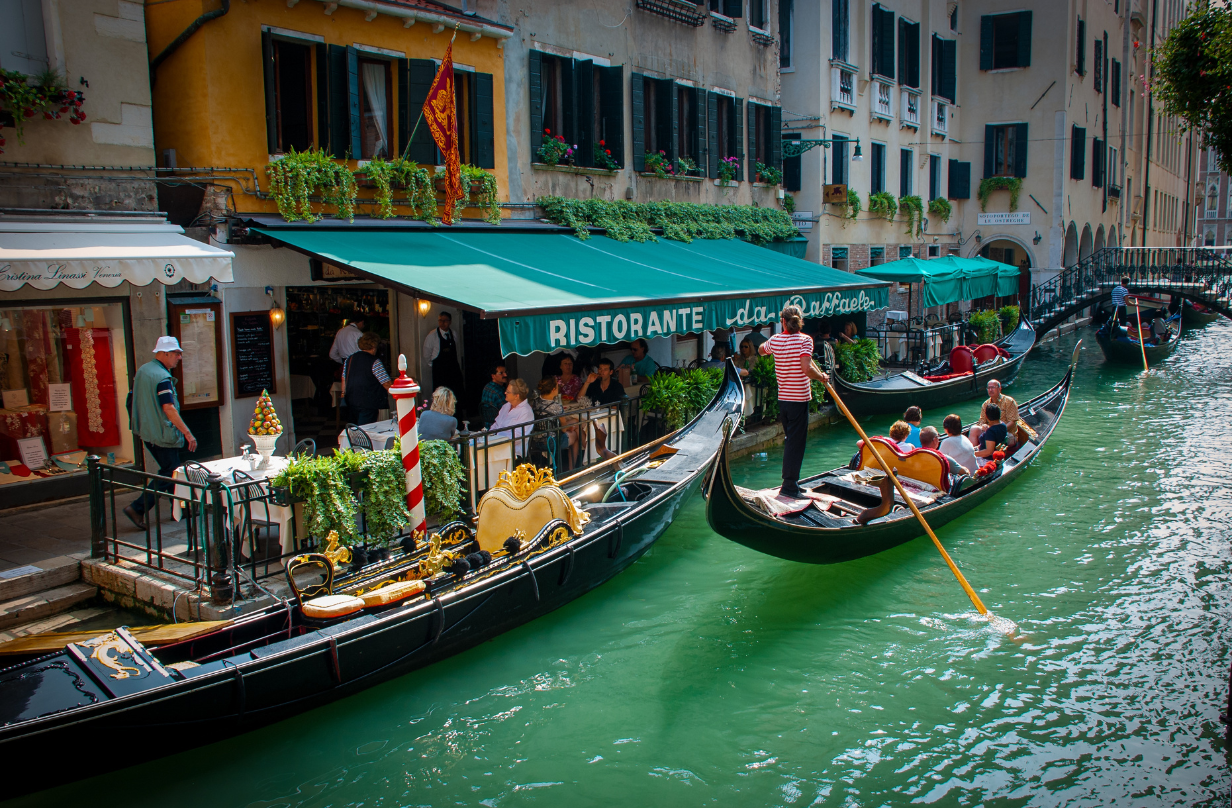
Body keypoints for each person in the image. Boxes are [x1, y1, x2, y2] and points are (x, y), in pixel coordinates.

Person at [122, 336, 198, 530]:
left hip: (147, 431)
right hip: (162, 433)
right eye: (176, 354)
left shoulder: (143, 371)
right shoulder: (162, 378)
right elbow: (169, 408)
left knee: (170, 470)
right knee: (170, 472)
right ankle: (137, 508)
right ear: (165, 353)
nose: (179, 357)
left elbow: (131, 400)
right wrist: (188, 433)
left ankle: (181, 508)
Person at [759, 304, 829, 499]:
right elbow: (807, 369)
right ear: (800, 321)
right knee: (795, 443)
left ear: (783, 322)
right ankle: (789, 486)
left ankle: (792, 483)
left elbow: (761, 350)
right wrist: (821, 376)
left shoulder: (775, 340)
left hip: (784, 400)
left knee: (791, 440)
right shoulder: (805, 340)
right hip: (798, 398)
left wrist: (772, 348)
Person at [343, 332, 392, 426]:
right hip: (368, 401)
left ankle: (353, 441)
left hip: (351, 399)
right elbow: (386, 383)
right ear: (374, 346)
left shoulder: (350, 359)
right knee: (366, 429)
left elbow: (344, 380)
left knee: (354, 428)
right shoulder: (374, 361)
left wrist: (343, 394)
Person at [580, 358, 623, 459]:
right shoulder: (594, 385)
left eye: (605, 369)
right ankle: (592, 456)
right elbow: (580, 398)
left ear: (611, 372)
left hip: (608, 419)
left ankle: (597, 455)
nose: (601, 372)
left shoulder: (617, 386)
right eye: (600, 369)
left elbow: (615, 407)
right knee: (576, 426)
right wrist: (587, 382)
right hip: (594, 418)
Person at [532, 377, 579, 468]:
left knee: (575, 423)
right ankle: (571, 470)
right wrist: (570, 428)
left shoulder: (535, 402)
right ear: (553, 389)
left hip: (536, 440)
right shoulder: (556, 407)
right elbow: (564, 429)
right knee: (575, 435)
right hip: (552, 441)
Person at [422, 310, 464, 398]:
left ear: (450, 322)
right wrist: (433, 365)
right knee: (441, 395)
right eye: (440, 320)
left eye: (445, 320)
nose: (442, 323)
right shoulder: (432, 335)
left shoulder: (454, 334)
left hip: (453, 369)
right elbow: (426, 353)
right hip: (440, 371)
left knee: (455, 393)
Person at [968, 379, 1019, 449]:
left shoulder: (1009, 401)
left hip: (1006, 433)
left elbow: (1012, 422)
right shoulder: (985, 404)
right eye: (988, 388)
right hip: (990, 432)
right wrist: (984, 425)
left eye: (993, 387)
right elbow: (982, 421)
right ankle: (972, 453)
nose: (990, 390)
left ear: (999, 388)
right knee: (974, 429)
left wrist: (997, 430)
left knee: (992, 435)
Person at [490, 378, 534, 444]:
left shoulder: (525, 412)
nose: (505, 393)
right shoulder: (506, 406)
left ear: (516, 396)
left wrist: (498, 440)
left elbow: (518, 436)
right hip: (497, 443)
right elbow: (497, 424)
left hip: (513, 449)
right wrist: (489, 436)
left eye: (508, 392)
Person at [480, 361, 508, 428]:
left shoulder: (487, 386)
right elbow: (507, 410)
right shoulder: (498, 391)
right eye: (501, 373)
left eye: (505, 372)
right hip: (497, 426)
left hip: (486, 424)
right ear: (493, 376)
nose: (505, 375)